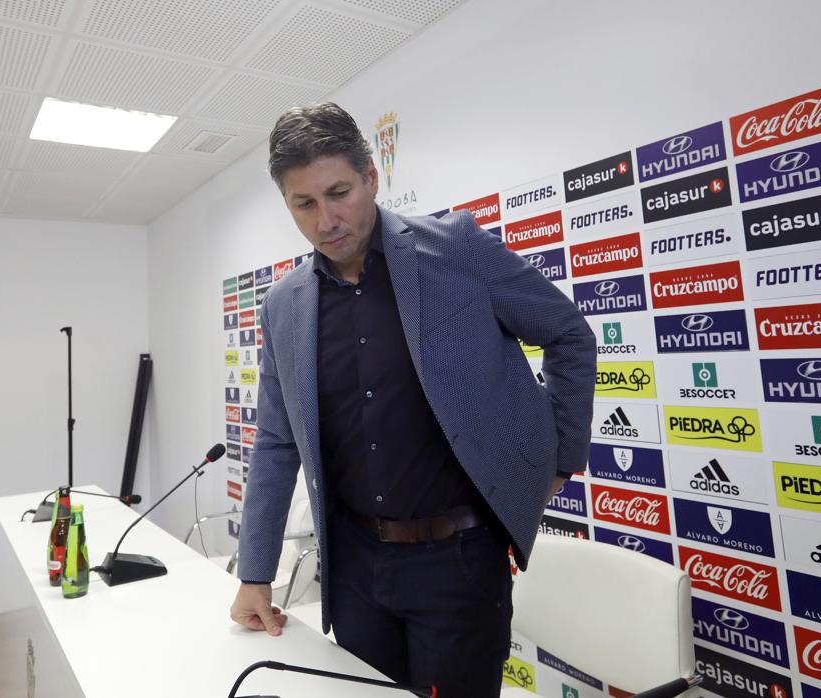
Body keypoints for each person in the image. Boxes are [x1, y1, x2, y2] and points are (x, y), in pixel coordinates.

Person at [229, 102, 595, 696]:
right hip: (351, 570)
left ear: (372, 178)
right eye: (305, 204)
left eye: (340, 192)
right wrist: (255, 573)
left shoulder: (456, 251)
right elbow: (276, 440)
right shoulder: (283, 306)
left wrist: (560, 458)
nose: (327, 220)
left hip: (459, 563)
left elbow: (569, 334)